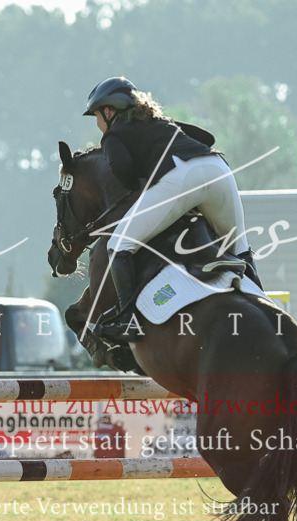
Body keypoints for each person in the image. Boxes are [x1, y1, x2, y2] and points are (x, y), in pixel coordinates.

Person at [83, 76, 262, 340]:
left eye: (97, 115)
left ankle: (129, 321)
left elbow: (120, 168)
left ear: (108, 112)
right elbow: (206, 137)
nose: (98, 122)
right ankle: (266, 309)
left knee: (118, 244)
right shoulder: (162, 123)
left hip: (184, 175)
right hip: (218, 169)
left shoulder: (114, 133)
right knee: (240, 247)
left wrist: (138, 184)